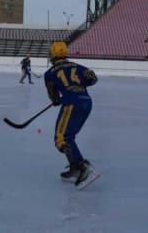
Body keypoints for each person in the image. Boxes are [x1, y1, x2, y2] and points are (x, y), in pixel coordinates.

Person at [44, 41, 99, 189]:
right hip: (86, 102)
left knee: (61, 139)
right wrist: (77, 86)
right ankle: (75, 169)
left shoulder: (49, 73)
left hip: (71, 104)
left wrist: (58, 99)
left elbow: (54, 97)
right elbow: (93, 78)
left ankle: (83, 167)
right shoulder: (78, 66)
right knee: (69, 136)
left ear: (53, 56)